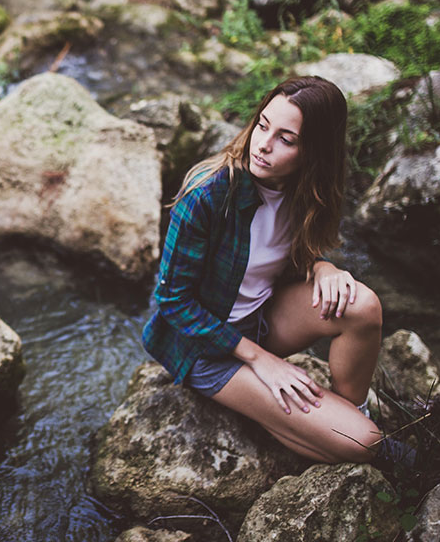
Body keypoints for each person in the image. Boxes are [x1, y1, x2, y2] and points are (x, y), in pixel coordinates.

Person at [143, 75, 384, 464]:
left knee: (363, 306)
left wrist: (321, 266)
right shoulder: (207, 195)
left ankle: (351, 410)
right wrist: (261, 361)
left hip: (260, 320)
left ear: (314, 153)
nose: (264, 145)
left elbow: (280, 259)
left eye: (286, 140)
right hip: (206, 347)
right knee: (365, 443)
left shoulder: (308, 191)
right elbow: (172, 300)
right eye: (263, 125)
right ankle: (311, 425)